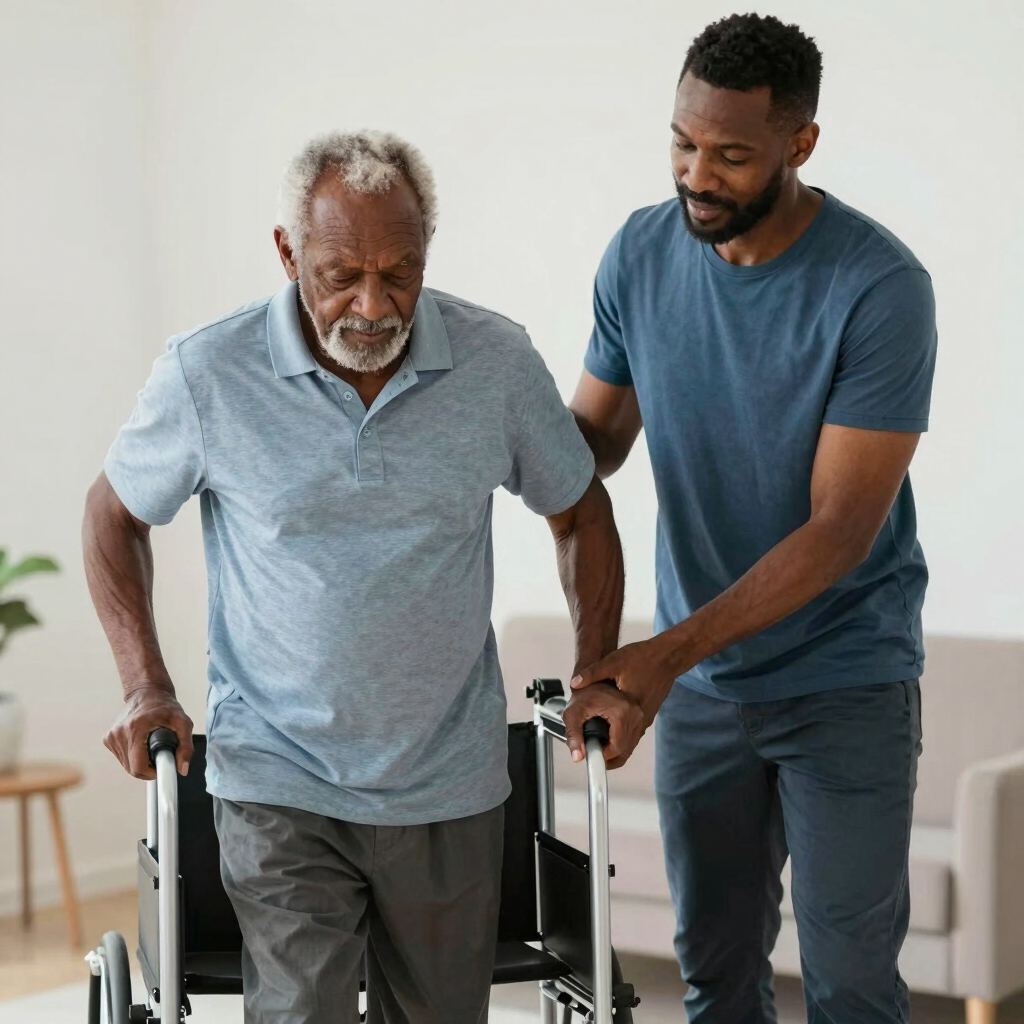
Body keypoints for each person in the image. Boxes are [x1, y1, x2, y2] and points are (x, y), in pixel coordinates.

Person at [83, 131, 644, 1024]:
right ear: (287, 251)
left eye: (401, 272)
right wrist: (144, 684)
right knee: (302, 1011)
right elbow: (113, 514)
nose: (374, 304)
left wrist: (598, 671)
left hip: (448, 781)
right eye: (341, 272)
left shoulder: (495, 361)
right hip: (279, 776)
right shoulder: (209, 372)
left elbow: (579, 510)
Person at [569, 14, 937, 1024]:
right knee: (713, 975)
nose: (697, 174)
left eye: (730, 155)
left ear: (799, 144)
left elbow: (837, 532)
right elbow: (590, 443)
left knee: (849, 983)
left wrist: (662, 655)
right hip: (701, 691)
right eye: (682, 143)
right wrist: (481, 426)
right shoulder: (639, 254)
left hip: (843, 678)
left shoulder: (878, 287)